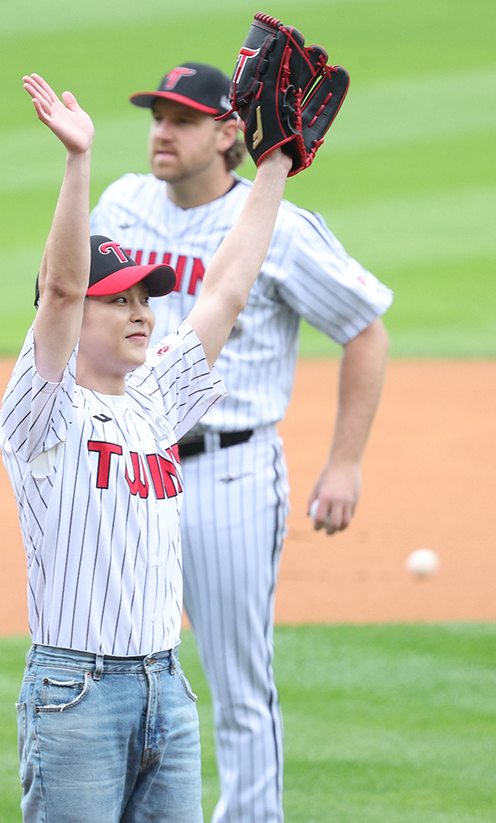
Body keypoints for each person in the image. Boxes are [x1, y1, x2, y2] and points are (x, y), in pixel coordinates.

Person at [90, 62, 393, 823]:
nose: (162, 131)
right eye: (157, 115)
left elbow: (364, 327)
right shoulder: (122, 203)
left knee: (236, 684)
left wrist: (344, 462)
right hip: (128, 470)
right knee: (117, 668)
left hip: (228, 470)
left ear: (230, 133)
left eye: (182, 119)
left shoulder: (279, 229)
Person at [0, 72, 293, 823]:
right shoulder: (42, 412)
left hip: (168, 686)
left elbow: (225, 290)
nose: (140, 312)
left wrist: (274, 167)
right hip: (77, 692)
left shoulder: (156, 401)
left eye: (143, 298)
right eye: (117, 298)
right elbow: (61, 289)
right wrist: (77, 162)